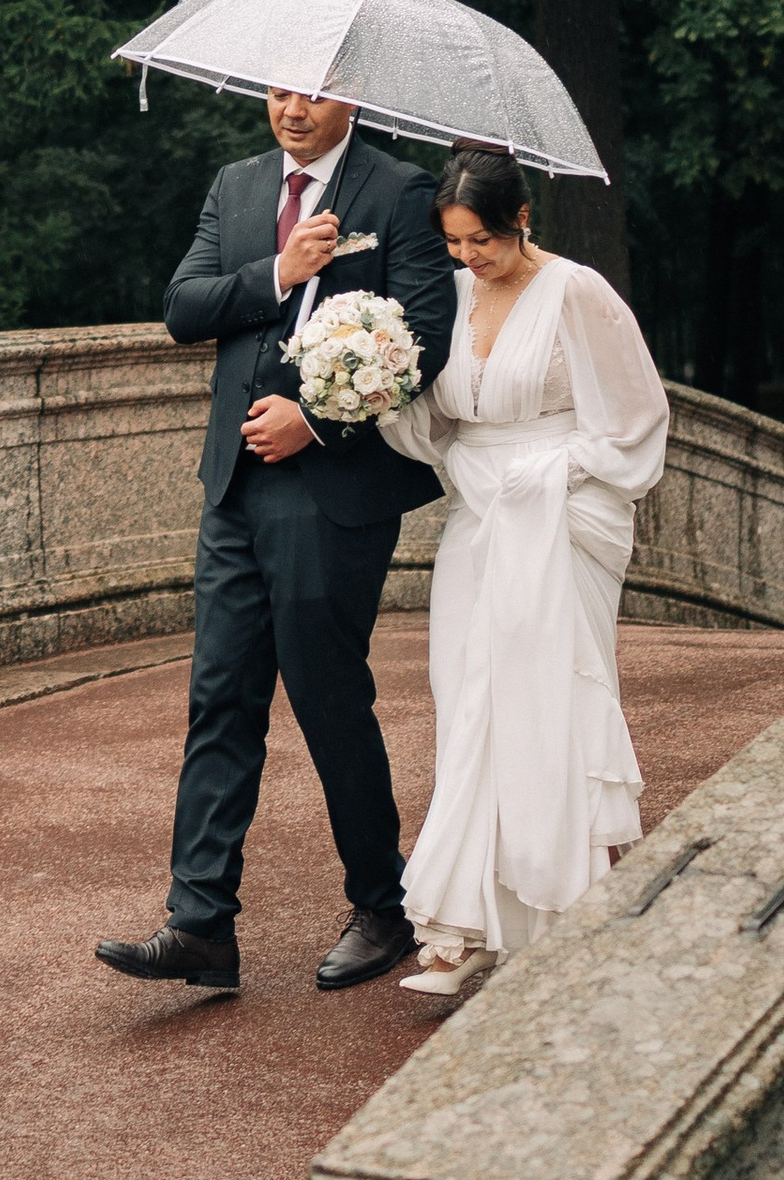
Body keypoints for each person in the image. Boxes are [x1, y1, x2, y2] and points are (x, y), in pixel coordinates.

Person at [95, 84, 460, 995]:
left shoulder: (401, 192)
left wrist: (318, 421)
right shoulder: (240, 185)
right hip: (234, 485)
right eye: (279, 89)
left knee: (326, 693)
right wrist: (279, 274)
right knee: (219, 696)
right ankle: (201, 925)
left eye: (314, 93)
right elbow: (185, 308)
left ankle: (385, 905)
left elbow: (426, 339)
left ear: (354, 99)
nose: (292, 109)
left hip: (331, 489)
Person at [380, 146, 670, 994]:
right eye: (454, 242)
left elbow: (633, 419)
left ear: (522, 221)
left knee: (553, 706)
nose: (468, 257)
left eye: (482, 241)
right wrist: (377, 390)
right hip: (477, 518)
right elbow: (437, 418)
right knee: (469, 706)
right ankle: (465, 922)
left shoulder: (577, 292)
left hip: (561, 515)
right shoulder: (454, 295)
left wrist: (544, 473)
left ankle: (569, 912)